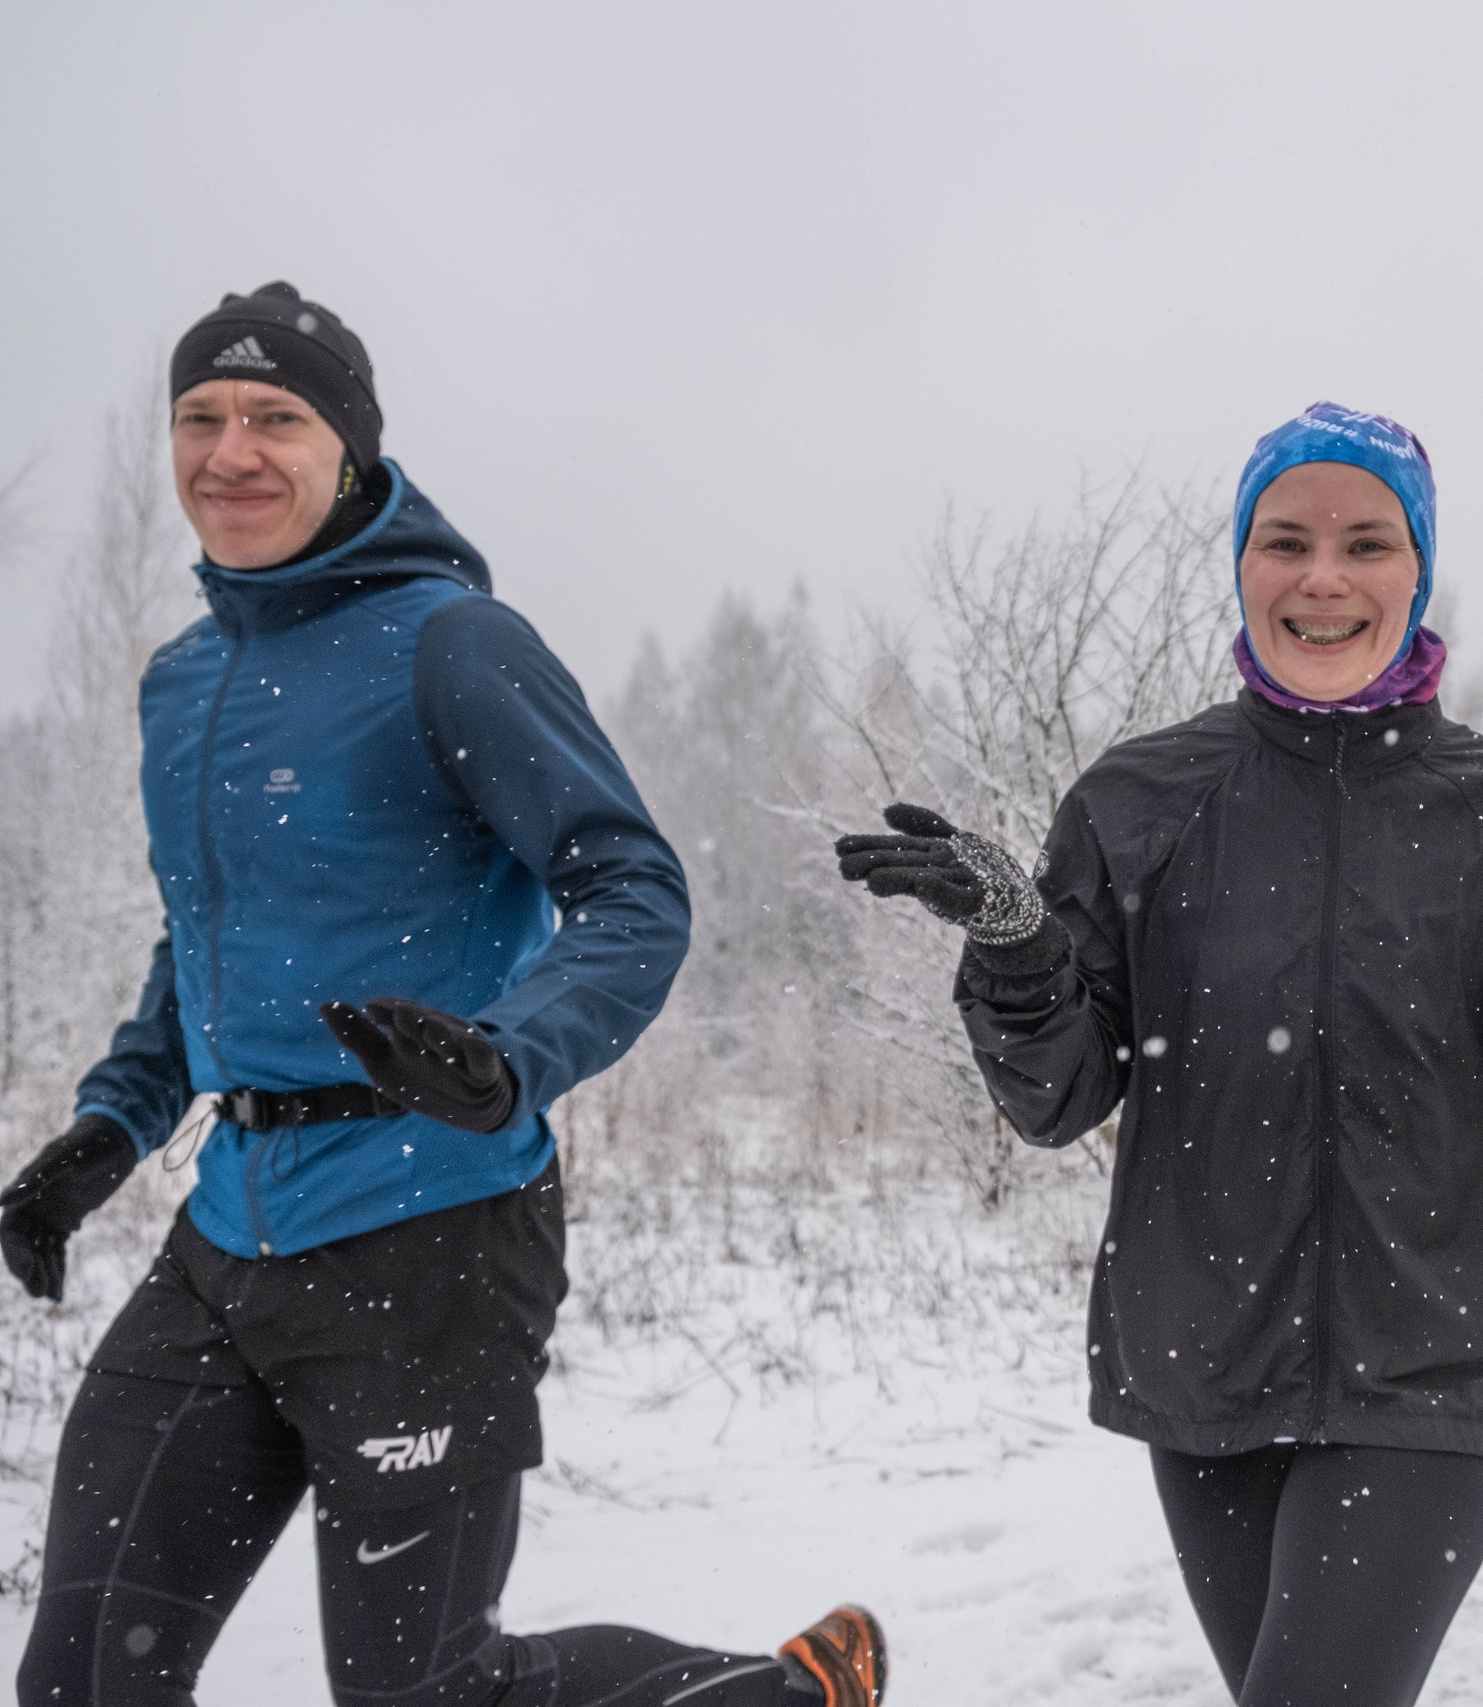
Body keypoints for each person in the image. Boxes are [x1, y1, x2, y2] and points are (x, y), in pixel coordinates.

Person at [834, 403, 1483, 1707]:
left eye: (1367, 542)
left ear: (1416, 571)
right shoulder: (1139, 802)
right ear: (1243, 564)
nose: (1323, 576)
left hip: (1435, 1356)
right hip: (1204, 1357)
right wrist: (1018, 947)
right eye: (1287, 541)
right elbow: (1059, 1095)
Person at [0, 283, 885, 1707]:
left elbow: (633, 888)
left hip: (432, 1233)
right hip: (226, 1235)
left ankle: (789, 1694)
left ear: (349, 446)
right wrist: (114, 1124)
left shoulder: (451, 643)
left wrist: (509, 1055)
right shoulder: (182, 678)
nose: (231, 452)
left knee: (428, 1692)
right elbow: (208, 936)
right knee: (84, 1675)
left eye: (276, 418)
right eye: (200, 417)